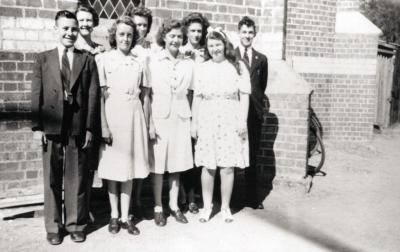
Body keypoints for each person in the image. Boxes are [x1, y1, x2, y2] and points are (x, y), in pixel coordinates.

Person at [31, 10, 99, 245]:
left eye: (74, 28)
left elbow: (93, 95)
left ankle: (76, 224)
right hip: (51, 127)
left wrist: (90, 128)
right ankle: (53, 226)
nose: (70, 33)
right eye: (65, 28)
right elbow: (36, 95)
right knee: (51, 178)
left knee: (76, 178)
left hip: (77, 129)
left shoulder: (86, 59)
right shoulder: (43, 59)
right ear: (56, 29)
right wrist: (37, 127)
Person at [96, 16, 150, 235]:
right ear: (114, 36)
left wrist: (146, 125)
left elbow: (145, 94)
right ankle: (114, 215)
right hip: (113, 115)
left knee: (129, 169)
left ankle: (127, 217)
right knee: (113, 167)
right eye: (121, 34)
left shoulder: (139, 61)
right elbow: (100, 96)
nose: (125, 38)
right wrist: (104, 126)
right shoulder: (104, 60)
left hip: (134, 115)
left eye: (129, 34)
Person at [191, 27, 250, 223]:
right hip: (207, 118)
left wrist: (242, 120)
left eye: (218, 44)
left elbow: (244, 96)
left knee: (227, 166)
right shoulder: (202, 67)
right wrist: (194, 124)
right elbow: (197, 97)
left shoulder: (237, 66)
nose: (215, 48)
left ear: (225, 45)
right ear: (207, 47)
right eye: (211, 45)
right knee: (208, 166)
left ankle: (225, 207)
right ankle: (207, 207)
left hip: (229, 119)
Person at [148, 19, 194, 226]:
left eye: (179, 36)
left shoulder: (189, 63)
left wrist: (192, 119)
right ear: (164, 37)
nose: (176, 40)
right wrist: (150, 122)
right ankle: (158, 206)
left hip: (181, 118)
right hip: (160, 117)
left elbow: (192, 94)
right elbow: (147, 94)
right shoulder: (153, 61)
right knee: (159, 165)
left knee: (176, 165)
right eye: (172, 36)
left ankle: (174, 205)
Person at [74, 2, 105, 224]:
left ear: (94, 23)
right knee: (75, 164)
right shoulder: (71, 48)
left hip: (94, 111)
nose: (85, 24)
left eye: (88, 20)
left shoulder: (100, 50)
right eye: (81, 20)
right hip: (75, 111)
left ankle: (88, 206)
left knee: (90, 162)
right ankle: (75, 209)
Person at [235, 16, 268, 210]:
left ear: (254, 34)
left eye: (250, 32)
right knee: (231, 152)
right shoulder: (232, 57)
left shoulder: (261, 59)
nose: (247, 36)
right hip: (235, 111)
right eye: (244, 32)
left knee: (252, 153)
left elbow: (261, 86)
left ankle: (251, 197)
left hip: (253, 113)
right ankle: (228, 197)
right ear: (238, 33)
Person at [178, 12, 210, 214]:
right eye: (192, 31)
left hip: (202, 104)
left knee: (197, 150)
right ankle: (182, 194)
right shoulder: (180, 51)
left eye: (199, 31)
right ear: (186, 32)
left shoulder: (207, 52)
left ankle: (192, 196)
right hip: (184, 103)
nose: (196, 35)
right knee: (183, 151)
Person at [125, 5, 153, 219]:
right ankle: (123, 201)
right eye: (137, 25)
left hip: (148, 101)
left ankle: (137, 199)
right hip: (128, 103)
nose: (140, 29)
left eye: (144, 25)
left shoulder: (151, 50)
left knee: (142, 154)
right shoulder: (125, 48)